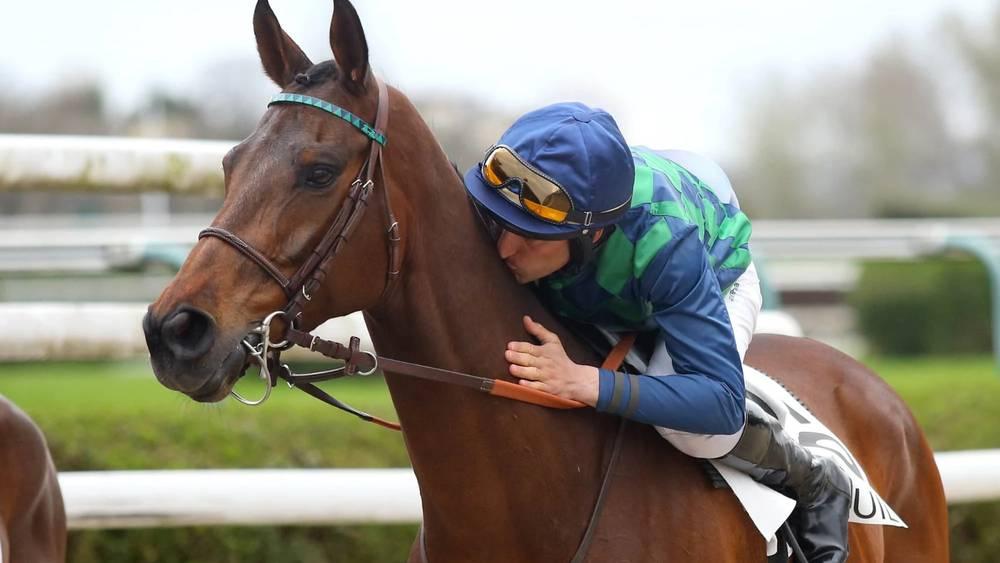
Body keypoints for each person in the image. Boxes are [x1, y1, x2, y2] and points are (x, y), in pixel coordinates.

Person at [464, 102, 851, 562]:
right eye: (503, 223)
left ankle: (813, 479)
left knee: (693, 432)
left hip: (714, 268)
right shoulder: (513, 195)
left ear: (592, 235)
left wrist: (584, 381)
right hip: (624, 242)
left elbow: (720, 403)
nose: (505, 249)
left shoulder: (667, 244)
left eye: (531, 236)